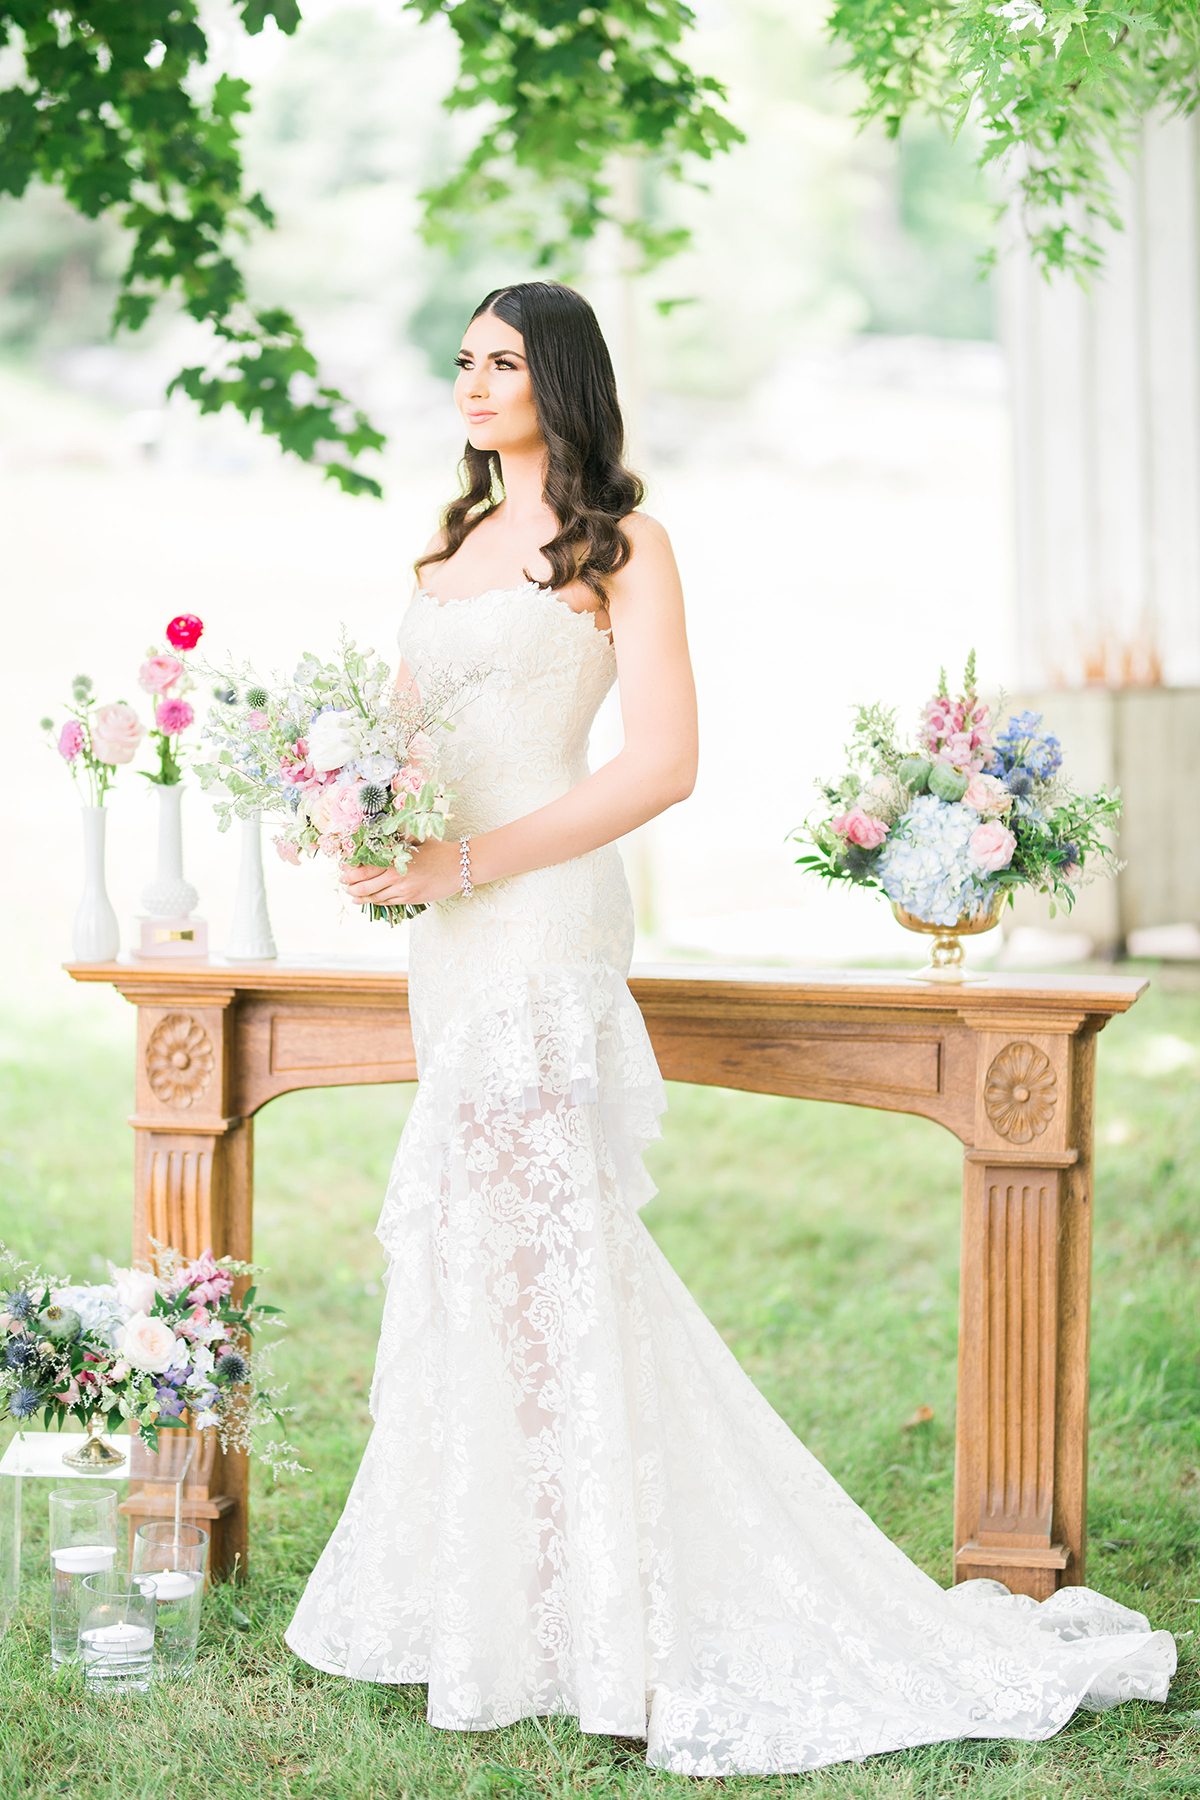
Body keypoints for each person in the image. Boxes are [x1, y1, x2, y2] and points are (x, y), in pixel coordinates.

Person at [285, 281, 1174, 1775]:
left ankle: (615, 1609)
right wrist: (355, 813)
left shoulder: (625, 546)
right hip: (447, 933)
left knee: (553, 1241)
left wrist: (475, 860)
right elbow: (398, 740)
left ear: (562, 377)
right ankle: (513, 1598)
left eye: (505, 360)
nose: (475, 381)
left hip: (542, 914)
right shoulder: (441, 552)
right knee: (484, 1252)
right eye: (464, 360)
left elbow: (667, 765)